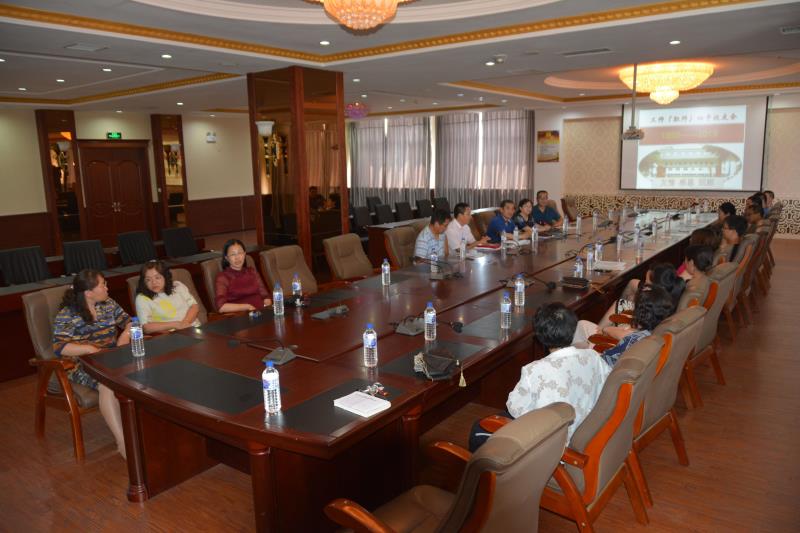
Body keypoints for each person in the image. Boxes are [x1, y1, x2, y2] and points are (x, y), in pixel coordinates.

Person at [468, 303, 610, 451]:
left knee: (479, 429)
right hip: (588, 432)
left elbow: (514, 408)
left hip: (552, 446)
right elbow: (607, 381)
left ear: (539, 336)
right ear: (573, 329)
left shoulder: (534, 370)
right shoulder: (593, 356)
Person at [52, 269, 131, 458]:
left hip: (112, 357)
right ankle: (122, 442)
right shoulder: (68, 314)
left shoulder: (108, 304)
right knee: (108, 385)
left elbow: (130, 321)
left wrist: (125, 336)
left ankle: (138, 430)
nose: (107, 288)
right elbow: (60, 347)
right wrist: (88, 349)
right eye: (103, 285)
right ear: (88, 292)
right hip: (82, 364)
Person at [575, 262, 685, 343]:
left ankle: (595, 336)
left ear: (656, 286)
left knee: (618, 304)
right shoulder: (666, 302)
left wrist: (606, 330)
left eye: (647, 283)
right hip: (631, 332)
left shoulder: (647, 318)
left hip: (614, 343)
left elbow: (631, 334)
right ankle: (596, 333)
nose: (644, 285)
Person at [600, 286, 674, 367]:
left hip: (605, 368)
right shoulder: (662, 333)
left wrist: (605, 329)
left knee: (588, 326)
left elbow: (606, 357)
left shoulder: (632, 339)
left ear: (638, 313)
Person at [135, 260, 200, 333]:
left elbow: (194, 306)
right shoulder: (142, 298)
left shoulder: (178, 286)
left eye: (157, 277)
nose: (154, 282)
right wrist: (176, 325)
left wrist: (184, 324)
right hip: (170, 335)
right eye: (148, 280)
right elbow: (146, 327)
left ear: (165, 277)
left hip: (193, 328)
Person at [215, 239, 271, 313]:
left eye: (240, 253)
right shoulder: (223, 277)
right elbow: (221, 307)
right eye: (233, 254)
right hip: (241, 316)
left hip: (261, 312)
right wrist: (247, 307)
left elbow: (265, 296)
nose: (237, 257)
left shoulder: (252, 271)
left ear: (244, 254)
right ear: (226, 258)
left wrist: (267, 305)